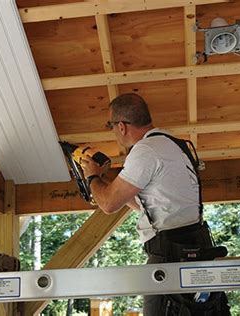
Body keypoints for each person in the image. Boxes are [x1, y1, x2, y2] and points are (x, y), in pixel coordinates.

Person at [80, 93, 229, 315]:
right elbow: (143, 205)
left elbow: (109, 204)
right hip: (195, 245)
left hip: (168, 253)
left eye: (111, 126)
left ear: (121, 126)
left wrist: (92, 178)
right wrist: (107, 183)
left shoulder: (145, 151)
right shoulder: (173, 145)